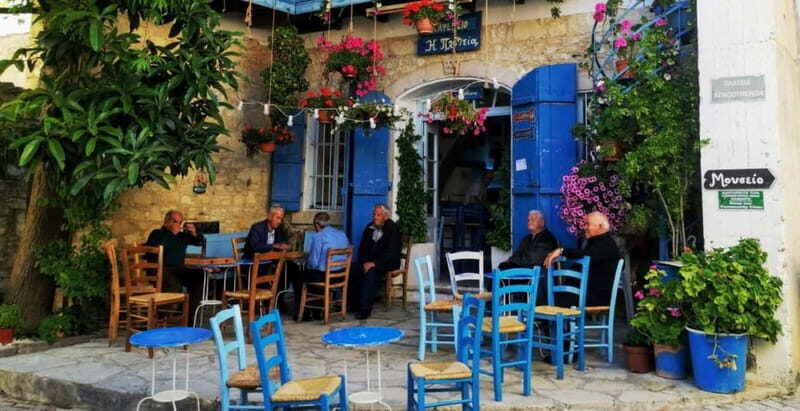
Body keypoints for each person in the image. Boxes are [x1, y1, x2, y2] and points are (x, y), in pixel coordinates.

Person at [544, 211, 621, 306]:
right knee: (547, 299)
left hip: (594, 297)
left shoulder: (606, 244)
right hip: (583, 293)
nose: (584, 228)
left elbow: (587, 255)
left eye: (588, 224)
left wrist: (561, 251)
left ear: (600, 227)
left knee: (546, 302)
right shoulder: (597, 242)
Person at [291, 212, 350, 321]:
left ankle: (304, 313)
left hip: (325, 275)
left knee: (298, 276)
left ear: (316, 225)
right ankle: (318, 311)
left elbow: (313, 263)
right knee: (312, 274)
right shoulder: (341, 234)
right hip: (341, 275)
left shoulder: (318, 236)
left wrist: (303, 262)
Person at [145, 210, 204, 314]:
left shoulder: (181, 236)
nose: (178, 225)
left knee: (198, 275)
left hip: (178, 270)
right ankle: (165, 317)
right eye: (175, 221)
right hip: (160, 269)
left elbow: (200, 242)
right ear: (167, 222)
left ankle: (189, 315)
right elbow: (156, 250)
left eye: (180, 222)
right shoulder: (157, 233)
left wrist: (194, 233)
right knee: (174, 284)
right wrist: (170, 233)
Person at [353, 204, 401, 320]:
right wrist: (364, 262)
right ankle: (353, 304)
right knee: (353, 269)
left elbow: (392, 253)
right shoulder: (369, 227)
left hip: (387, 262)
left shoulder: (392, 228)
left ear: (385, 216)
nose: (375, 217)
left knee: (372, 273)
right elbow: (363, 248)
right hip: (370, 261)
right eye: (374, 214)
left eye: (378, 215)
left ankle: (365, 309)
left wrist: (375, 263)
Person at [244, 205, 295, 311]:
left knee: (289, 267)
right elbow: (255, 246)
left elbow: (280, 243)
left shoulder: (278, 230)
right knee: (265, 270)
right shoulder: (257, 228)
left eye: (281, 218)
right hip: (254, 262)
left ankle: (278, 297)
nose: (280, 221)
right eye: (278, 218)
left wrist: (284, 246)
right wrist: (273, 246)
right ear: (270, 217)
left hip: (270, 260)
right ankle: (265, 301)